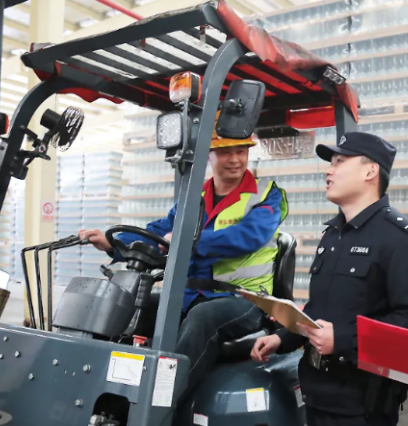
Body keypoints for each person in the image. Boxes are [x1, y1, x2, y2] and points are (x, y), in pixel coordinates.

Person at [249, 132, 408, 426]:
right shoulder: (333, 235)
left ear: (371, 171)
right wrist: (283, 336)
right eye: (330, 162)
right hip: (320, 398)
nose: (329, 170)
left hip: (360, 407)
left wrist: (345, 339)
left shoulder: (402, 240)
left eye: (339, 162)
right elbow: (321, 311)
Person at [80, 130, 288, 389]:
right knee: (128, 304)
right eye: (225, 152)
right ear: (210, 155)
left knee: (202, 317)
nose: (235, 159)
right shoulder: (193, 197)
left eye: (241, 151)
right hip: (191, 295)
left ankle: (162, 400)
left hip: (244, 299)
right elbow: (159, 232)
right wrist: (113, 243)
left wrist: (186, 240)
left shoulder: (267, 194)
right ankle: (105, 391)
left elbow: (248, 236)